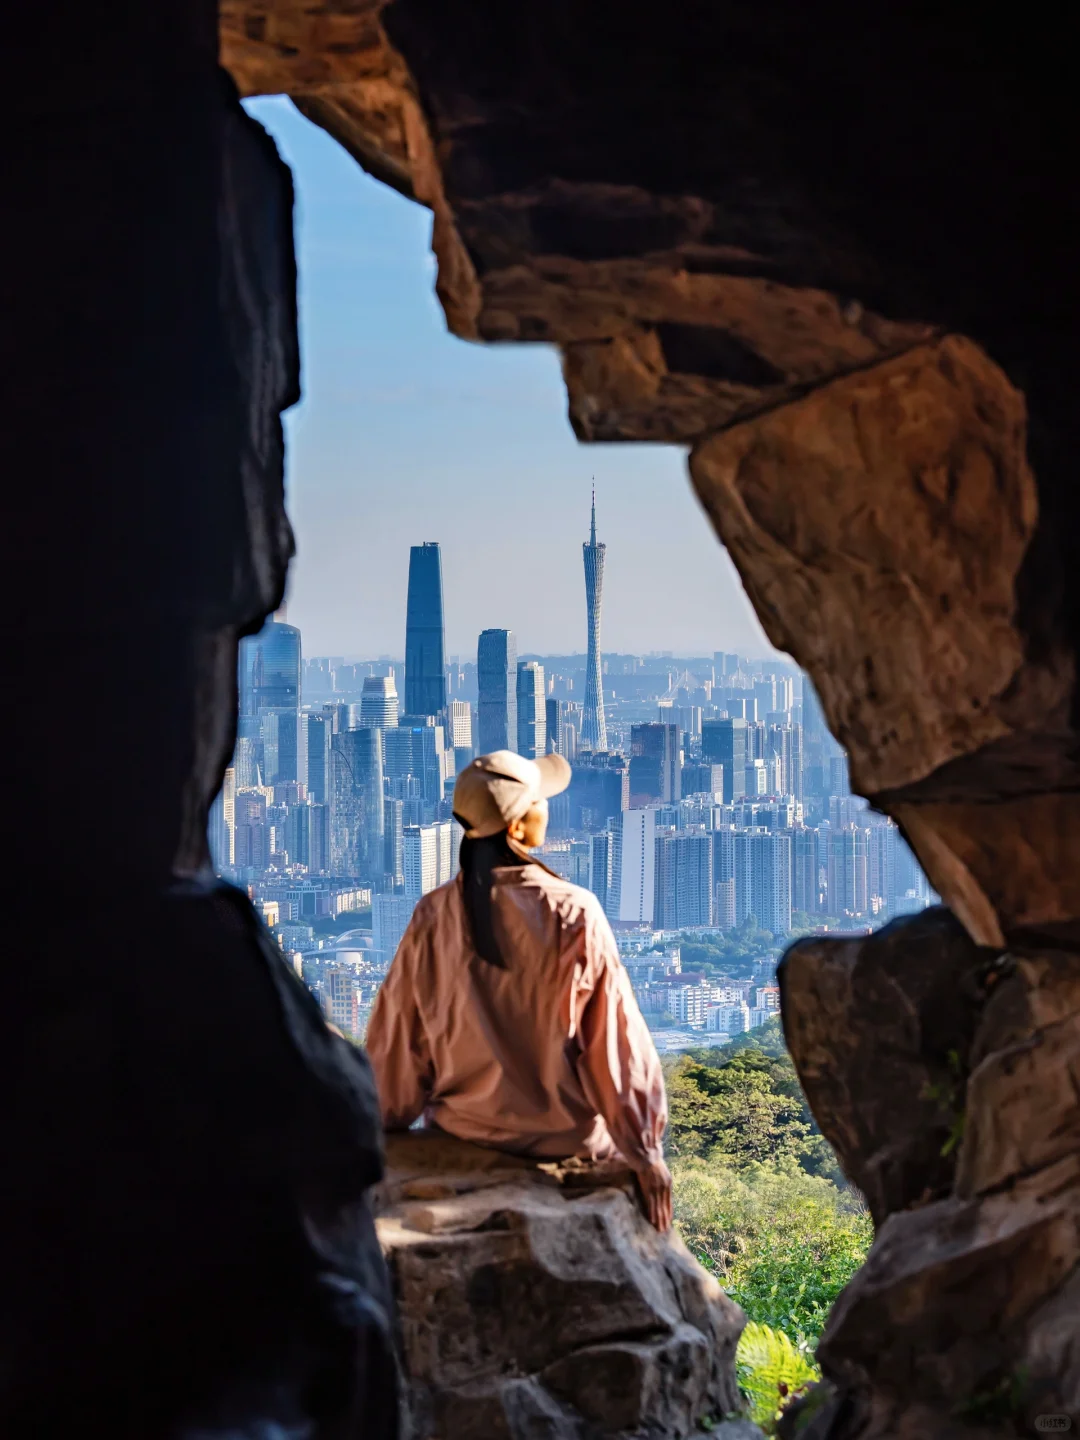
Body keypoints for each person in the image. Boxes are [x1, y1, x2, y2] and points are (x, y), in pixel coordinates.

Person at [366, 750, 672, 1231]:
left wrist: (381, 1124)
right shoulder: (572, 912)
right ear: (517, 825)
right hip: (564, 1144)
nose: (547, 809)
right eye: (540, 801)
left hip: (465, 1136)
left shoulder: (434, 915)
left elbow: (400, 1045)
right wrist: (645, 1150)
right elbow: (612, 1047)